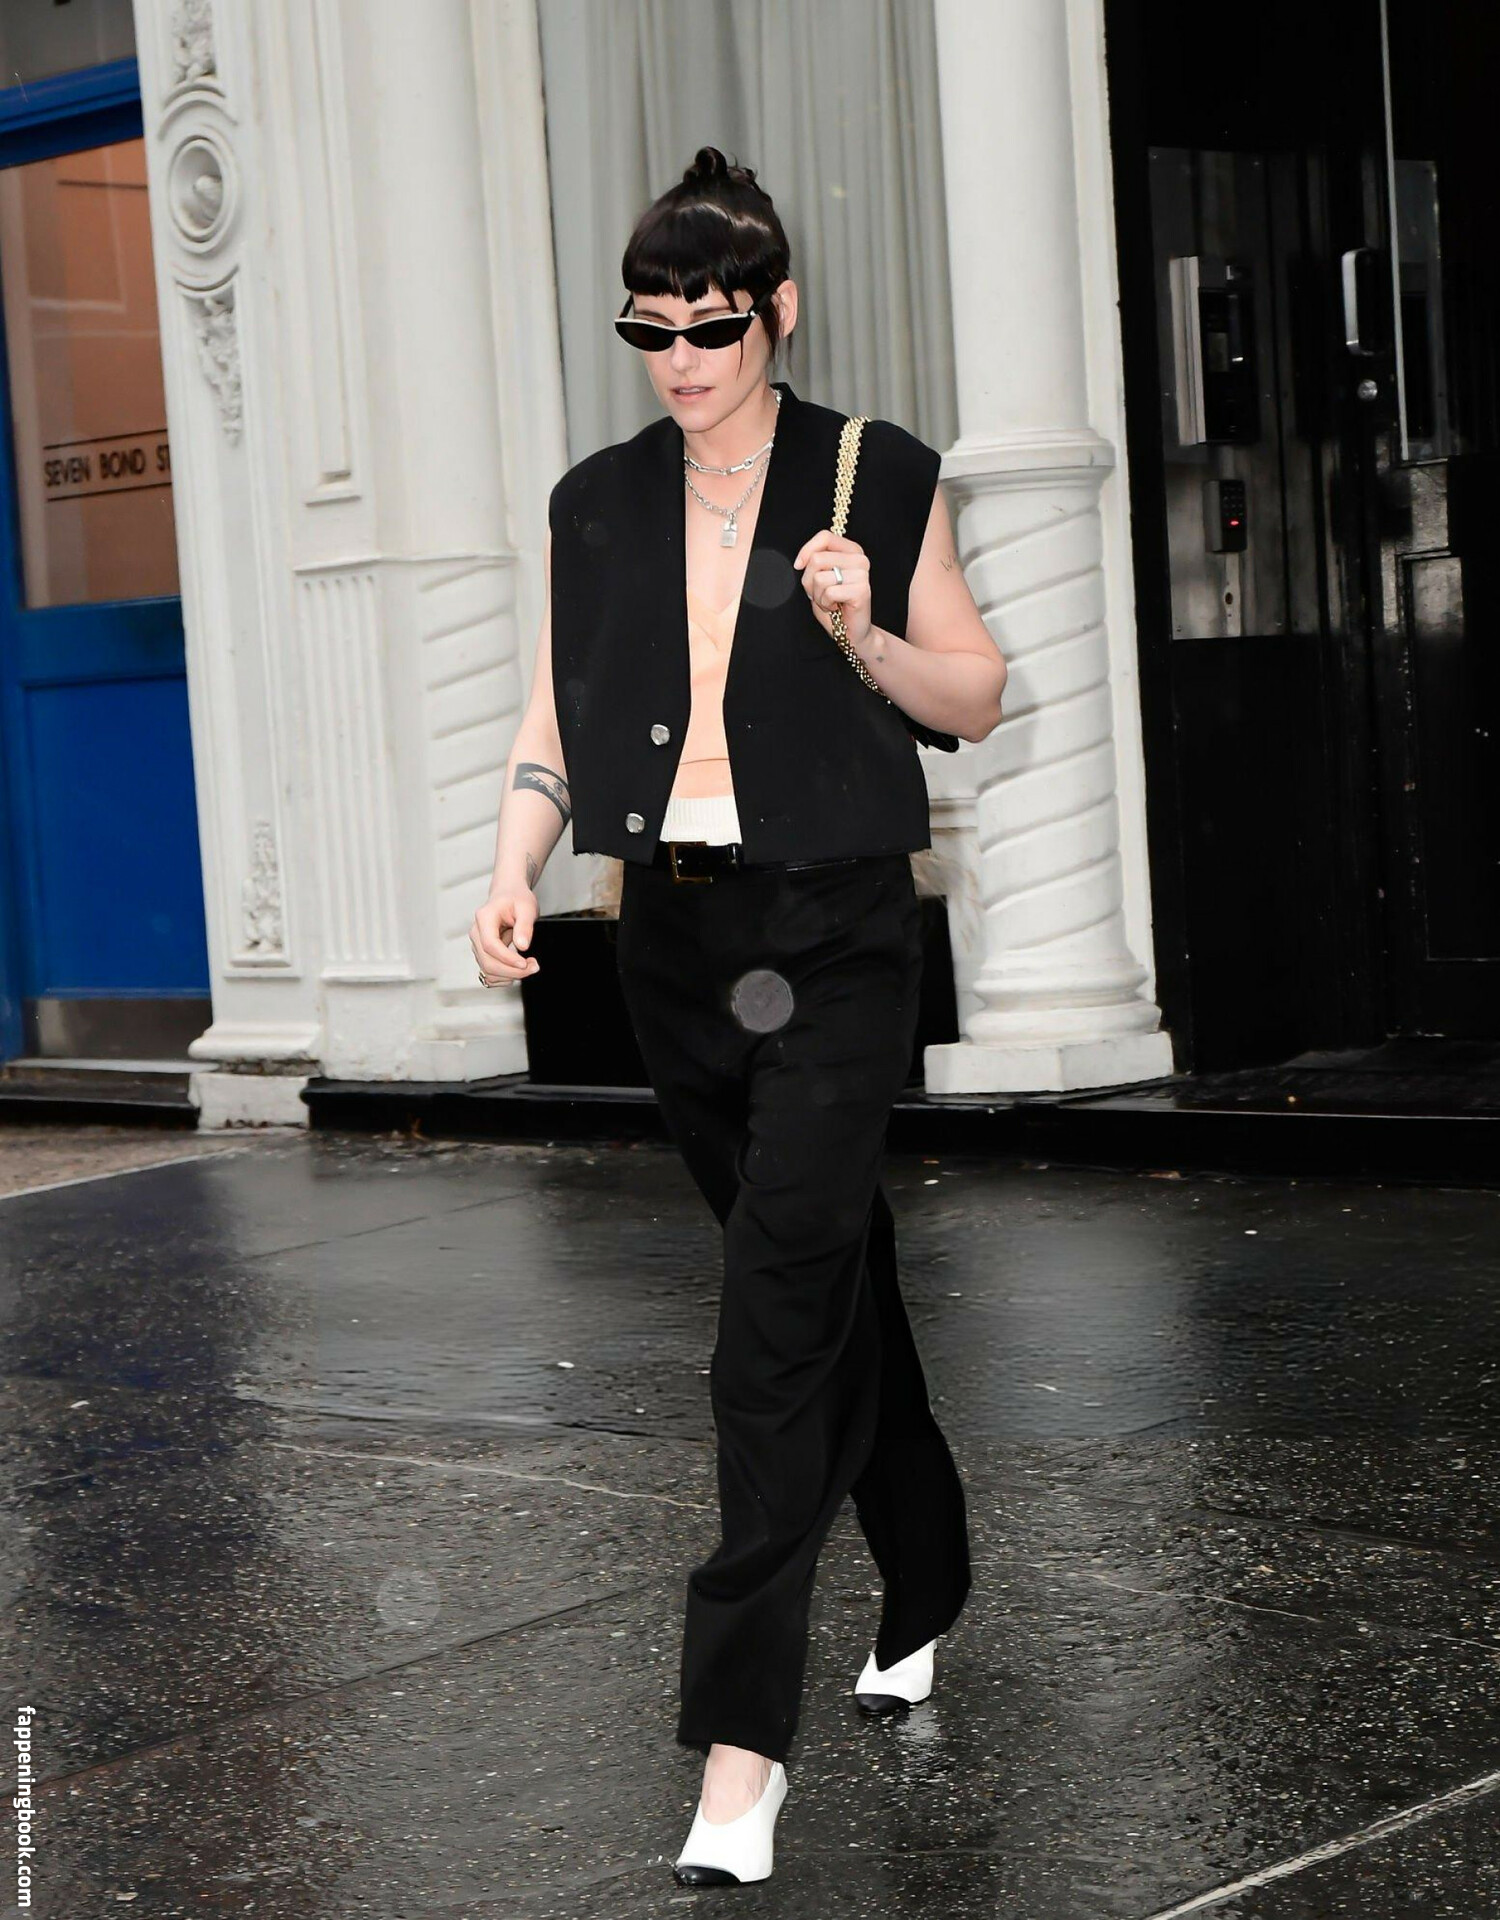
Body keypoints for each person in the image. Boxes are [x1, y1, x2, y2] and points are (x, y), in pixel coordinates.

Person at [470, 145, 1006, 1888]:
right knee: (821, 1268)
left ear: (777, 313)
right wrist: (514, 866)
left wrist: (862, 636)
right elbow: (553, 721)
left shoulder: (876, 473)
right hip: (675, 949)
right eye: (651, 332)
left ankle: (738, 1756)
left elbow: (974, 698)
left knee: (769, 1328)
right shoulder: (595, 504)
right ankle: (926, 1559)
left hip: (836, 931)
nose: (681, 360)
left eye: (711, 328)